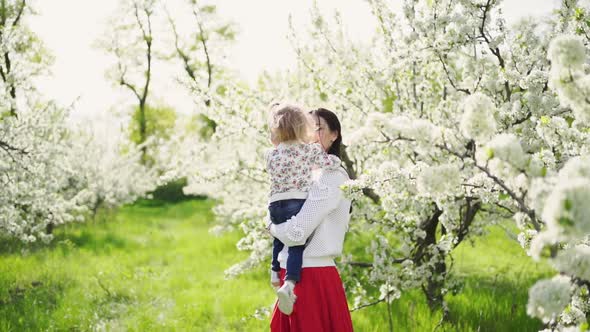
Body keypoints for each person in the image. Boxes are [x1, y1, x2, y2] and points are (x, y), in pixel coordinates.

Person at [268, 108, 354, 332]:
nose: (312, 135)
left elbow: (297, 232)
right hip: (292, 274)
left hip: (314, 276)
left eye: (319, 128)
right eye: (308, 127)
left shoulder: (333, 176)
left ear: (334, 134)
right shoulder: (303, 174)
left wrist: (270, 226)